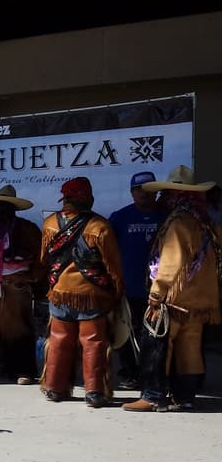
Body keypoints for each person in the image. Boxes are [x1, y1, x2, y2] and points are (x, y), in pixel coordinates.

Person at [124, 165, 220, 412]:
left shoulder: (178, 222)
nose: (162, 198)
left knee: (157, 345)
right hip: (199, 302)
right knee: (190, 348)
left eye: (166, 193)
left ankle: (153, 396)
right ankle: (185, 396)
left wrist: (157, 294)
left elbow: (171, 261)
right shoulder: (206, 222)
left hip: (173, 300)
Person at [39, 176, 124, 407]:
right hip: (92, 295)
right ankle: (94, 392)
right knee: (93, 341)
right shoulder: (99, 226)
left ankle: (54, 388)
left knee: (59, 340)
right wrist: (118, 290)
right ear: (88, 198)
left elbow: (44, 259)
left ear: (65, 199)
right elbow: (113, 267)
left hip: (59, 292)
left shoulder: (50, 223)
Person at [0, 185, 45, 384]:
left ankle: (24, 370)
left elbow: (41, 257)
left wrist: (30, 277)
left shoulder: (27, 229)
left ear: (13, 209)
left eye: (4, 207)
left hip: (17, 284)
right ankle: (1, 364)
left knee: (19, 328)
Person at [107, 171, 164, 389]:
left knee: (154, 335)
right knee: (126, 334)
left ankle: (152, 375)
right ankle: (129, 373)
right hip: (128, 287)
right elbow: (106, 251)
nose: (144, 193)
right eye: (139, 189)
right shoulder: (120, 217)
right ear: (132, 192)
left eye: (149, 189)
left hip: (158, 290)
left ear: (156, 192)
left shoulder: (167, 216)